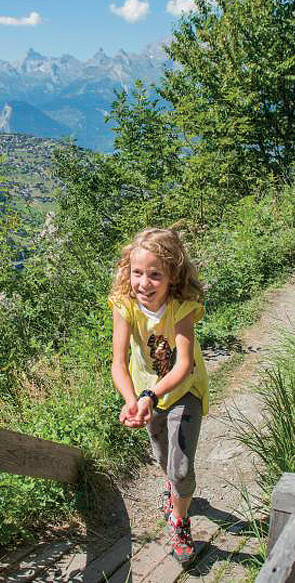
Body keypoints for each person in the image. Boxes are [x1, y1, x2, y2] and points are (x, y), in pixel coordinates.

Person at [109, 228, 208, 566]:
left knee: (181, 468)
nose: (144, 283)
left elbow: (183, 365)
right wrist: (131, 400)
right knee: (163, 456)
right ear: (128, 271)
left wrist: (150, 395)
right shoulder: (124, 306)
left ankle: (179, 521)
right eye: (137, 273)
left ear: (172, 276)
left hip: (183, 390)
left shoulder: (181, 308)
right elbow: (118, 362)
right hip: (145, 393)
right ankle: (174, 488)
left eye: (155, 275)